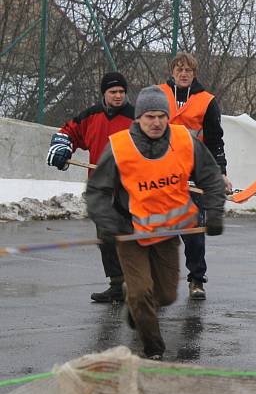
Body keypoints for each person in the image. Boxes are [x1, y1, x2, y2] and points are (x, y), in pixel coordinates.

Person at [86, 86, 226, 360]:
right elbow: (97, 192)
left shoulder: (184, 141)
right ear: (138, 117)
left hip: (166, 232)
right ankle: (153, 351)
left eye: (161, 116)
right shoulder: (120, 146)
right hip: (131, 233)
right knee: (141, 295)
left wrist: (215, 213)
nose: (156, 122)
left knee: (165, 296)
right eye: (150, 116)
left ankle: (136, 308)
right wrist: (110, 225)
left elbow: (210, 178)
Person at [46, 72, 135, 303]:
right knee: (106, 236)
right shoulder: (92, 116)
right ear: (104, 93)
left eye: (121, 92)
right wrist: (63, 146)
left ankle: (143, 285)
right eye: (113, 92)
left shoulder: (138, 117)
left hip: (132, 187)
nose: (118, 96)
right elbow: (68, 132)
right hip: (101, 187)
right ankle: (117, 284)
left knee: (131, 237)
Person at [158, 52, 232, 300]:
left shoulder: (206, 101)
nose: (183, 73)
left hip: (193, 175)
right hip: (161, 174)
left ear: (194, 73)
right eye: (179, 69)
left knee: (193, 231)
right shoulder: (158, 95)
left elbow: (215, 141)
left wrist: (220, 174)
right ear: (172, 71)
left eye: (188, 70)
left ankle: (197, 279)